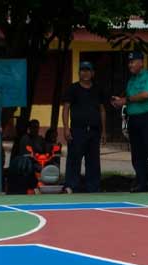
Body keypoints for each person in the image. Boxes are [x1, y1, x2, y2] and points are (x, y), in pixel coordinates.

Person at [112, 51, 148, 195]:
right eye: (129, 62)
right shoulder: (131, 80)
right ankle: (142, 183)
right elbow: (130, 98)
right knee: (137, 153)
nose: (130, 65)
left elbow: (146, 95)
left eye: (133, 62)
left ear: (141, 62)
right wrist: (120, 101)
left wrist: (126, 100)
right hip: (133, 119)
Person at [62, 61, 108, 193]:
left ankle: (93, 187)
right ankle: (71, 186)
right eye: (82, 70)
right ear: (79, 73)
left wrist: (104, 131)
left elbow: (102, 110)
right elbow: (66, 109)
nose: (85, 73)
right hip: (77, 130)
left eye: (88, 70)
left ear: (93, 73)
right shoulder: (73, 89)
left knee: (93, 161)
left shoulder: (98, 89)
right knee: (74, 159)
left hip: (94, 131)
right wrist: (66, 128)